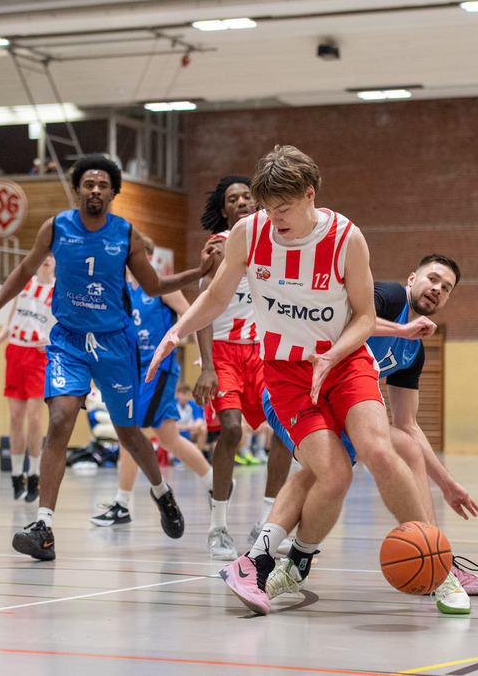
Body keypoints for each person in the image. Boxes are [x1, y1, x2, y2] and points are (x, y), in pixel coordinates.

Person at [146, 145, 430, 615]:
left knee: (380, 449)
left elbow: (362, 317)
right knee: (334, 475)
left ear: (309, 195)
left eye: (283, 208)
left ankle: (433, 559)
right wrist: (177, 331)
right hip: (286, 372)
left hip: (345, 362)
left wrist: (333, 354)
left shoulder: (345, 237)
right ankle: (280, 564)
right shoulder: (249, 233)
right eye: (267, 207)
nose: (274, 218)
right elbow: (215, 298)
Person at [0, 154, 220, 561]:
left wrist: (198, 271)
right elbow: (23, 271)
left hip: (116, 343)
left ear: (113, 193)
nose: (96, 190)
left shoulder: (127, 235)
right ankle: (44, 525)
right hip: (68, 341)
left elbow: (154, 286)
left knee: (129, 433)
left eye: (103, 185)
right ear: (78, 189)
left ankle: (161, 493)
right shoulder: (56, 228)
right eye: (89, 184)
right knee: (61, 418)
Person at [261, 256, 478, 614]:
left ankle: (436, 559)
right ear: (412, 277)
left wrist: (446, 483)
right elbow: (356, 322)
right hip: (297, 389)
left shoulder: (414, 351)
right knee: (325, 472)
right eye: (433, 279)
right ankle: (264, 558)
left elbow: (409, 424)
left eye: (446, 288)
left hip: (345, 402)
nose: (437, 289)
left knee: (400, 451)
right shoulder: (387, 296)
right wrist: (399, 330)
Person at [194, 174, 294, 561]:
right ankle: (218, 525)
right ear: (224, 210)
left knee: (285, 429)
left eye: (246, 197)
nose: (240, 202)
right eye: (232, 199)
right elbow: (203, 309)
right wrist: (206, 366)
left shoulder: (276, 244)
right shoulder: (218, 247)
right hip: (222, 349)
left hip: (262, 352)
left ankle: (268, 519)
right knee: (231, 430)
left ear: (257, 204)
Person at [89, 233, 214, 526]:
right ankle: (214, 483)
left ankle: (122, 504)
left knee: (129, 431)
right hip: (130, 369)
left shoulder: (159, 286)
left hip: (158, 370)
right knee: (169, 437)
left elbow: (190, 315)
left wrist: (203, 356)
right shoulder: (119, 289)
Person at [0, 255, 56, 501]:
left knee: (35, 419)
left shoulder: (59, 290)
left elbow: (65, 325)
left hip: (39, 355)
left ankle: (34, 475)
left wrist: (52, 342)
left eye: (52, 255)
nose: (47, 259)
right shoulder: (24, 283)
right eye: (43, 255)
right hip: (15, 350)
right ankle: (17, 476)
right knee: (16, 418)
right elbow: (10, 320)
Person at [174, 384, 207, 452]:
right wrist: (186, 427)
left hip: (189, 431)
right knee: (173, 428)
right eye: (183, 394)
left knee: (203, 428)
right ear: (178, 394)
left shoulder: (193, 404)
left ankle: (199, 453)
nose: (185, 397)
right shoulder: (173, 404)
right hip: (176, 430)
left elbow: (200, 420)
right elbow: (170, 423)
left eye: (187, 395)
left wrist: (195, 426)